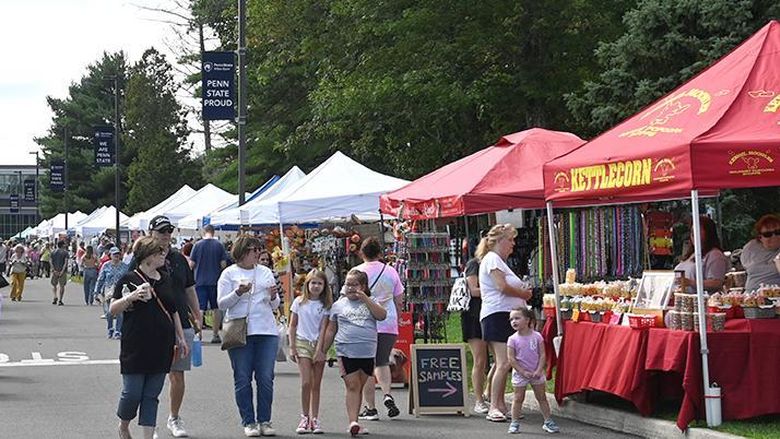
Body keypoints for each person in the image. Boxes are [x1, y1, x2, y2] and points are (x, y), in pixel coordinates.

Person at [111, 237, 189, 439]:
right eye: (160, 253)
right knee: (132, 393)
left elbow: (174, 311)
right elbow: (112, 309)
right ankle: (123, 424)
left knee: (151, 395)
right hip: (135, 344)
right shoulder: (128, 279)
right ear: (149, 257)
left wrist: (180, 338)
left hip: (162, 344)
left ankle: (147, 435)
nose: (164, 256)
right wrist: (131, 296)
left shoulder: (165, 278)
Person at [217, 235, 280, 437]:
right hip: (239, 329)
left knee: (265, 377)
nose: (258, 253)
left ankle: (265, 420)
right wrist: (238, 292)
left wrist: (273, 295)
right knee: (242, 377)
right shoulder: (229, 273)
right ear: (243, 251)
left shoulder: (265, 272)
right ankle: (249, 421)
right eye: (254, 250)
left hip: (266, 330)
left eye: (259, 250)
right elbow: (221, 304)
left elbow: (275, 305)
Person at [148, 216, 201, 438]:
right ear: (151, 233)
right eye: (161, 231)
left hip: (181, 321)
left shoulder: (179, 259)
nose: (166, 235)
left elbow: (189, 289)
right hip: (153, 324)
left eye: (169, 231)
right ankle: (149, 422)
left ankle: (174, 417)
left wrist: (197, 315)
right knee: (153, 375)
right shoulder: (143, 258)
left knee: (177, 374)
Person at [319, 269, 387, 436]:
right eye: (347, 284)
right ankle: (353, 422)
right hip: (345, 350)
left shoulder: (372, 302)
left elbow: (382, 316)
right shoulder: (338, 305)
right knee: (352, 386)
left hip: (367, 352)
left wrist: (365, 298)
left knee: (359, 386)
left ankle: (355, 421)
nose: (350, 288)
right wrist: (322, 351)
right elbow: (330, 330)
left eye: (354, 285)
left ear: (363, 286)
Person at [477, 224, 531, 422]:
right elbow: (501, 286)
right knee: (503, 362)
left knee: (505, 363)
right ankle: (493, 406)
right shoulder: (492, 259)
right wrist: (523, 294)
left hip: (502, 314)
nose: (513, 244)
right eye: (511, 240)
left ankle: (499, 404)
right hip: (497, 315)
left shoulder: (498, 261)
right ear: (499, 240)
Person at [350, 237, 403, 422]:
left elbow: (348, 297)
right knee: (382, 361)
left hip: (365, 322)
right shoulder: (391, 271)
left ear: (361, 253)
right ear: (380, 253)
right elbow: (399, 298)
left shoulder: (356, 272)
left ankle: (371, 408)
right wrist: (399, 315)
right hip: (388, 321)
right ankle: (387, 394)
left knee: (367, 365)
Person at [289, 269, 332, 434]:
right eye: (313, 282)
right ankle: (304, 416)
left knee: (316, 384)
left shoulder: (325, 305)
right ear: (307, 284)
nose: (316, 286)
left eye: (319, 283)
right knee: (306, 382)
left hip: (318, 344)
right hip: (302, 342)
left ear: (324, 286)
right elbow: (292, 325)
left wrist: (321, 350)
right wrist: (292, 346)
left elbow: (324, 328)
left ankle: (315, 418)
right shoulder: (299, 302)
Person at [506, 308, 559, 434]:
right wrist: (522, 371)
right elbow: (511, 359)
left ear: (528, 320)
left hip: (536, 372)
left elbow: (542, 355)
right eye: (511, 319)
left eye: (517, 318)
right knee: (518, 398)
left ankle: (548, 421)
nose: (514, 321)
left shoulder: (537, 336)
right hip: (520, 374)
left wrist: (539, 369)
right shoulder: (512, 339)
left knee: (542, 397)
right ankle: (514, 422)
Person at [190, 224, 229, 344]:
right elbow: (223, 264)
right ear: (213, 232)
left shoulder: (197, 245)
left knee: (200, 308)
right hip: (215, 281)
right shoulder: (219, 245)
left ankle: (199, 334)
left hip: (200, 281)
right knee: (216, 308)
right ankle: (215, 334)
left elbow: (191, 264)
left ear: (204, 232)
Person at [462, 255, 492, 414]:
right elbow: (473, 290)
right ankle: (479, 400)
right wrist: (496, 289)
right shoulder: (474, 264)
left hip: (490, 313)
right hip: (474, 315)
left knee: (501, 359)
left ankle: (488, 391)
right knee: (480, 360)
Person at [675, 216, 729, 294]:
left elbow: (716, 282)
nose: (693, 235)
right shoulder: (692, 254)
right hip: (684, 300)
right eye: (692, 232)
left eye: (697, 230)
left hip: (703, 302)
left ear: (708, 232)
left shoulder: (715, 255)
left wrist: (690, 282)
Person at [95, 247, 130, 339]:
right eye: (114, 254)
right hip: (108, 291)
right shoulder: (106, 266)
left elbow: (128, 278)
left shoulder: (124, 266)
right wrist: (96, 292)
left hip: (120, 291)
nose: (116, 256)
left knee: (119, 312)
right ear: (110, 255)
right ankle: (110, 328)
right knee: (109, 312)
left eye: (118, 254)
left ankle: (118, 331)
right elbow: (100, 279)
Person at [741, 214, 780, 292]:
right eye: (767, 234)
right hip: (750, 295)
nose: (774, 236)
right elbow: (746, 268)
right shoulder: (750, 247)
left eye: (778, 232)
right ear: (760, 237)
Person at [50, 240, 70, 306]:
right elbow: (65, 262)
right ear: (62, 245)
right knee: (62, 286)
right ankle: (60, 300)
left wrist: (53, 270)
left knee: (54, 285)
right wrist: (62, 271)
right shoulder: (65, 253)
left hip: (55, 270)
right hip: (62, 271)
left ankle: (55, 296)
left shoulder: (53, 252)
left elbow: (51, 261)